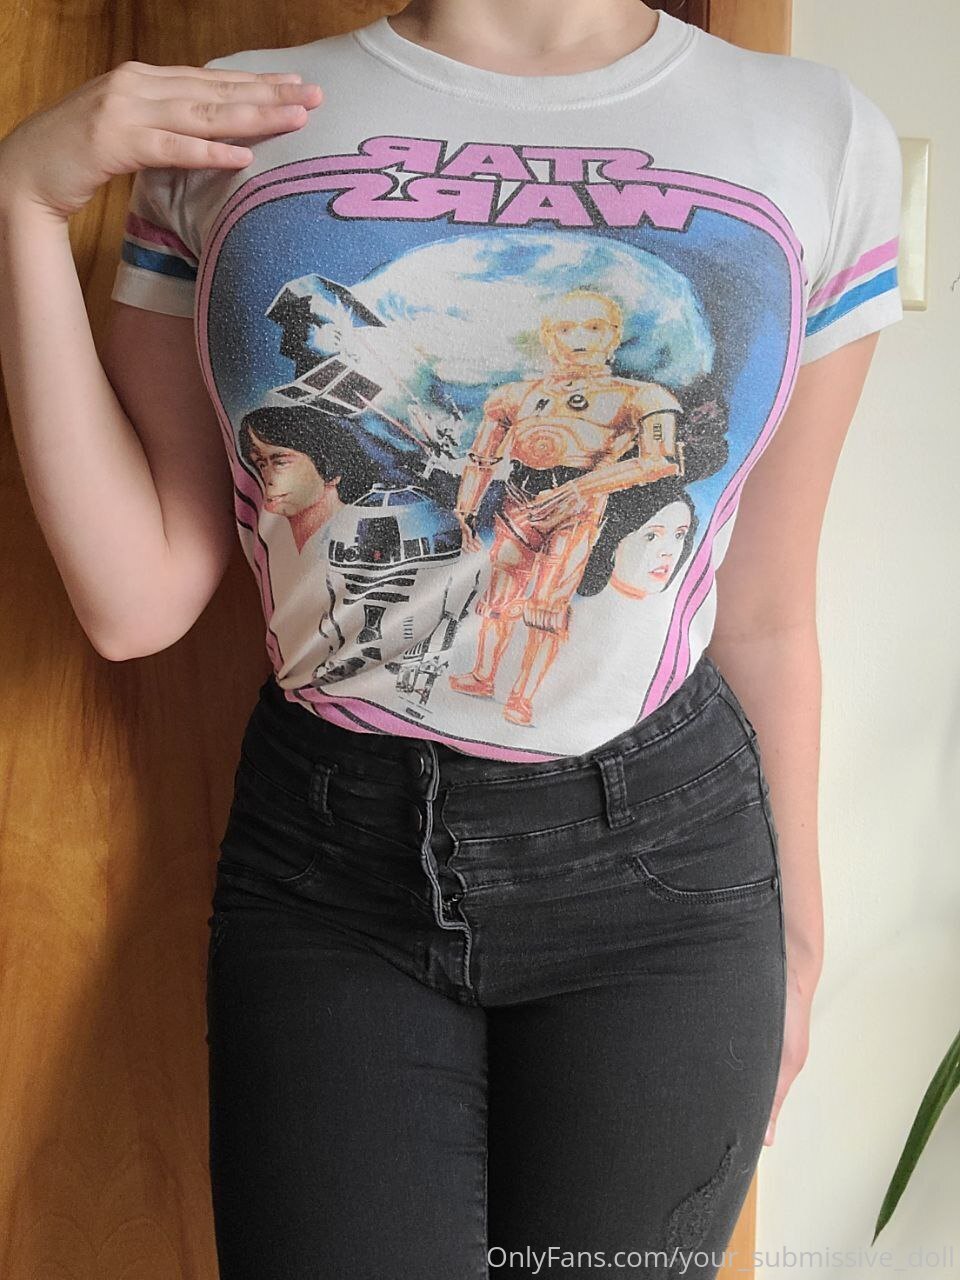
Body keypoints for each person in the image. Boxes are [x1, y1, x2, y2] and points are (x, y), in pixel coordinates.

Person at [0, 0, 903, 1276]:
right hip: (331, 866)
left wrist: (799, 936)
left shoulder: (816, 133)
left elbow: (761, 604)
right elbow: (133, 598)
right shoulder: (228, 117)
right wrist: (23, 209)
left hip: (664, 878)